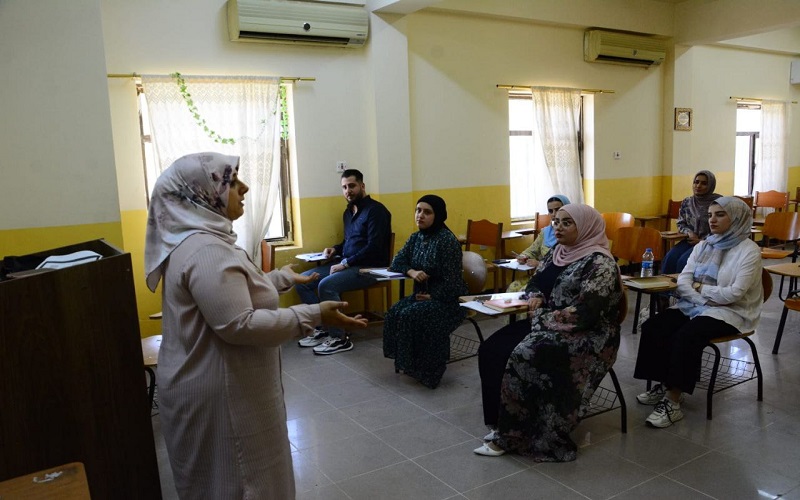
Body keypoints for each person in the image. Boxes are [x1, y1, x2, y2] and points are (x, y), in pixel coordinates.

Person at [144, 152, 368, 499]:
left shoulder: (199, 241)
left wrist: (278, 278)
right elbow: (239, 324)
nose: (244, 188)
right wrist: (314, 315)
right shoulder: (206, 250)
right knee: (243, 481)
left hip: (216, 384)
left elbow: (230, 292)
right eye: (231, 182)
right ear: (201, 195)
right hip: (223, 395)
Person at [474, 204, 623, 461]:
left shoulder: (600, 263)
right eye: (556, 222)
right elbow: (535, 281)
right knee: (492, 349)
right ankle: (503, 424)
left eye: (567, 222)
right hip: (548, 322)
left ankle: (520, 435)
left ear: (586, 226)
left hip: (589, 334)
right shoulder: (557, 251)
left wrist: (541, 316)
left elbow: (585, 313)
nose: (558, 227)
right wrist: (535, 297)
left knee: (525, 353)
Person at [633, 196, 762, 428]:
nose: (712, 220)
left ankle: (673, 400)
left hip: (732, 312)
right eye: (710, 215)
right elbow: (684, 279)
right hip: (697, 304)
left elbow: (734, 294)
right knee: (656, 326)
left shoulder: (749, 251)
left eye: (720, 214)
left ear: (737, 218)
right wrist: (698, 296)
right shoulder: (705, 244)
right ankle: (664, 382)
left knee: (687, 336)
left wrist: (700, 289)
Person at [295, 169, 392, 355]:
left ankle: (339, 338)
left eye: (352, 186)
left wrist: (346, 263)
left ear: (362, 186)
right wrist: (336, 249)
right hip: (348, 264)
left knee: (326, 285)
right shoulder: (348, 212)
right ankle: (323, 328)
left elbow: (375, 247)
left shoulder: (376, 211)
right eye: (344, 187)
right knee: (303, 281)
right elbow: (350, 242)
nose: (348, 191)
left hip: (371, 269)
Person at [382, 195, 467, 388]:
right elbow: (397, 262)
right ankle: (409, 363)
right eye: (418, 210)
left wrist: (433, 296)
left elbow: (453, 282)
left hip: (449, 300)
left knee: (411, 314)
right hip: (421, 296)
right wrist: (412, 271)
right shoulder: (416, 237)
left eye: (427, 212)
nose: (420, 215)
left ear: (438, 216)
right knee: (395, 312)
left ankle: (428, 370)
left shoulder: (447, 242)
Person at [507, 194, 571, 292]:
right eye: (550, 211)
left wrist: (539, 264)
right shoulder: (545, 232)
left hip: (557, 280)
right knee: (512, 287)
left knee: (524, 292)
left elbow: (567, 264)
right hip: (539, 274)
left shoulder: (571, 235)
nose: (554, 214)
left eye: (558, 209)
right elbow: (532, 250)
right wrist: (524, 256)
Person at [662, 170, 722, 274]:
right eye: (696, 182)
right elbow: (681, 223)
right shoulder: (687, 202)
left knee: (684, 261)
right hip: (689, 240)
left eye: (704, 183)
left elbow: (721, 228)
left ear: (711, 185)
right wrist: (689, 233)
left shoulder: (719, 203)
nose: (698, 186)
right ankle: (665, 289)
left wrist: (702, 241)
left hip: (710, 243)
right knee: (669, 258)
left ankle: (682, 289)